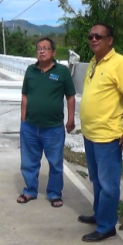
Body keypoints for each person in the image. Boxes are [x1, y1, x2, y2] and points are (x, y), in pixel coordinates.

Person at [78, 23, 123, 242]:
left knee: (109, 184)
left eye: (98, 36)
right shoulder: (94, 62)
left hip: (108, 135)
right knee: (96, 179)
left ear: (109, 40)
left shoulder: (120, 63)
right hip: (90, 134)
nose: (93, 39)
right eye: (91, 36)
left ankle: (107, 226)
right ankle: (99, 214)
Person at [18, 37, 76, 208]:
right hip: (30, 126)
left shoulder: (62, 72)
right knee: (29, 162)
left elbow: (70, 96)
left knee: (55, 163)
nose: (42, 51)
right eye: (39, 48)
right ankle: (29, 190)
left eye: (46, 48)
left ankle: (54, 193)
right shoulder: (30, 71)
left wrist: (70, 119)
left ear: (54, 52)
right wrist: (23, 119)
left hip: (53, 128)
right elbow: (25, 96)